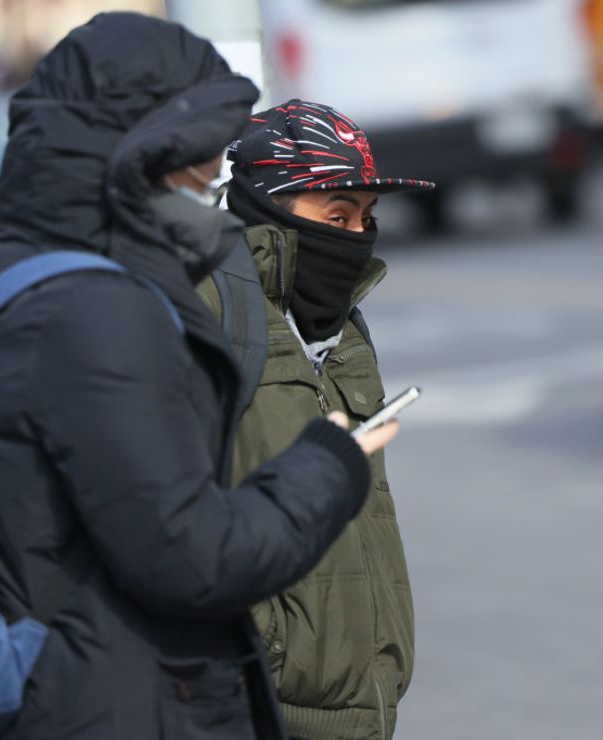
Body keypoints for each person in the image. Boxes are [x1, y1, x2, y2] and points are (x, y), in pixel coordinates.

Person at [0, 16, 398, 740]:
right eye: (199, 163)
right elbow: (191, 555)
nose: (214, 181)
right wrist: (325, 467)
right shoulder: (91, 310)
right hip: (107, 708)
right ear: (138, 148)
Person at [198, 100, 436, 739]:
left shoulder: (340, 328)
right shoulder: (208, 315)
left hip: (363, 702)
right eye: (336, 215)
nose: (356, 236)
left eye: (366, 217)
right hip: (263, 706)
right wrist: (265, 644)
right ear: (267, 206)